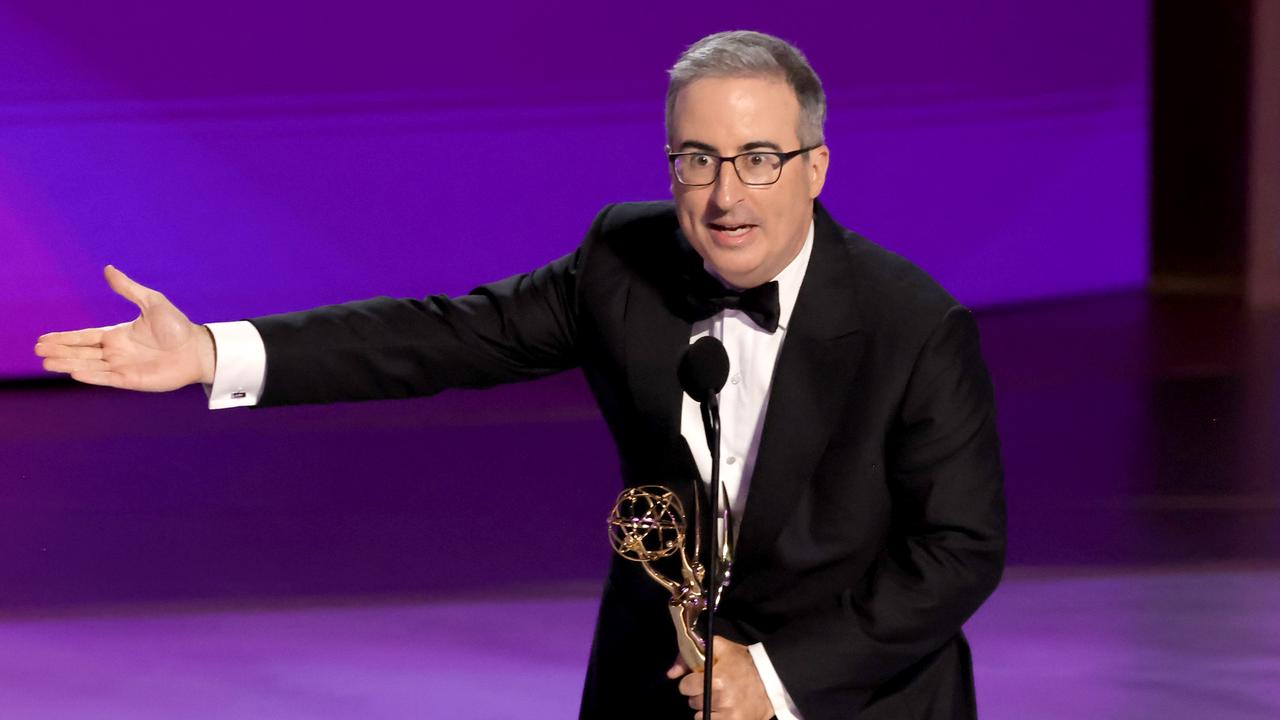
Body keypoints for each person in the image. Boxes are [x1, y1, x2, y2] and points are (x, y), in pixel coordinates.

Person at [35, 30, 1005, 720]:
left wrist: (776, 676)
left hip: (848, 695)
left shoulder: (909, 326)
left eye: (757, 159)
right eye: (696, 159)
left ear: (815, 166)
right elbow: (445, 336)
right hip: (654, 680)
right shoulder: (625, 260)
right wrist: (211, 352)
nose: (723, 194)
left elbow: (956, 550)